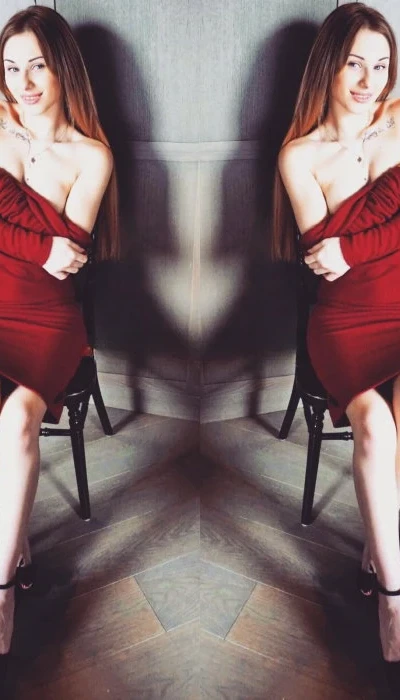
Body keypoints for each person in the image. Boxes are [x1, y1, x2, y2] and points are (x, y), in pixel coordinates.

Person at [272, 1, 400, 670]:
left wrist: (355, 245)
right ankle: (394, 601)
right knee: (374, 424)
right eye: (354, 63)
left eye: (381, 65)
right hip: (346, 320)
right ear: (328, 64)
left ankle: (381, 548)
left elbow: (343, 248)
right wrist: (362, 245)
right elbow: (325, 257)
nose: (369, 80)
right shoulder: (300, 155)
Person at [0, 5, 118, 657]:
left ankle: (1, 592)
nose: (22, 82)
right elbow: (45, 247)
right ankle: (12, 541)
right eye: (10, 67)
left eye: (37, 66)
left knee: (18, 418)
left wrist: (33, 245)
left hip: (46, 316)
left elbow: (66, 255)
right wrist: (35, 244)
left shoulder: (90, 155)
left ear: (62, 68)